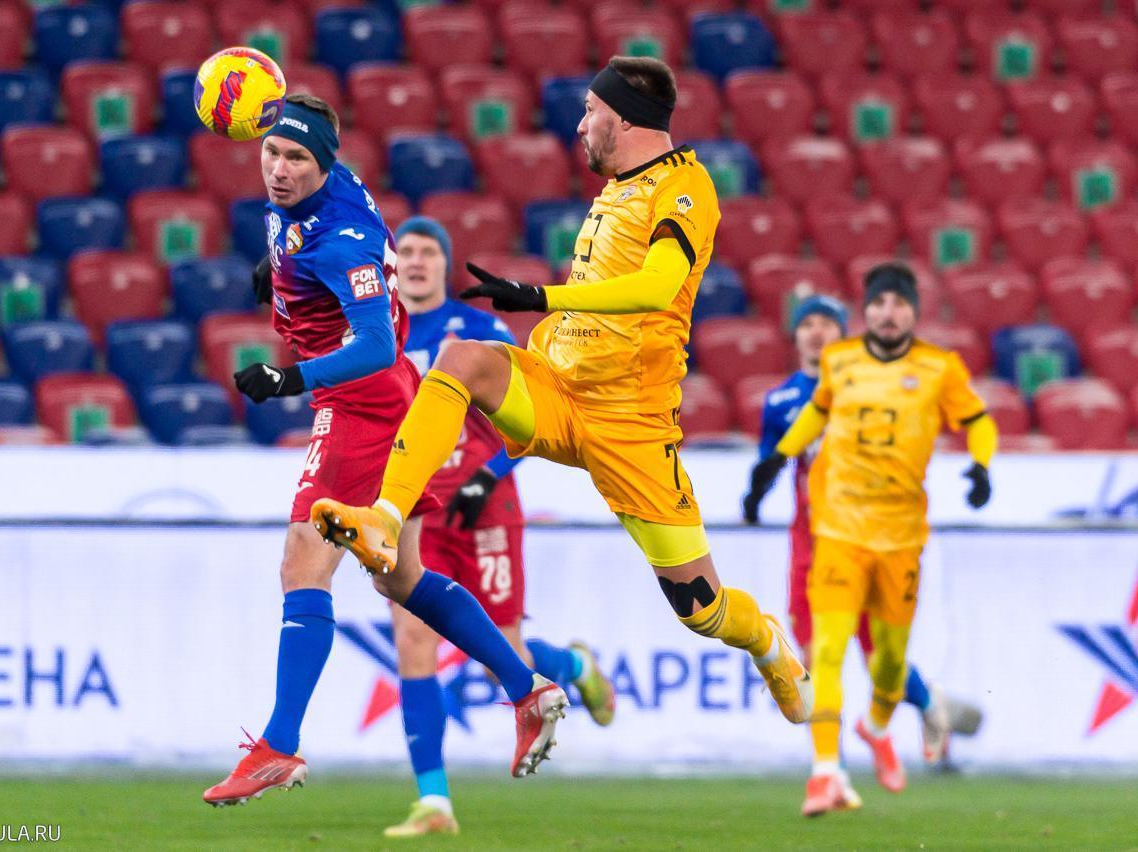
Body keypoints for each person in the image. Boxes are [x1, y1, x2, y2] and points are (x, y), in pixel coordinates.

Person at [309, 57, 813, 730]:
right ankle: (386, 518)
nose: (580, 126)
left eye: (590, 111)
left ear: (624, 119)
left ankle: (766, 642)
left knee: (700, 607)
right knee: (461, 360)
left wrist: (541, 296)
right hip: (557, 389)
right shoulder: (614, 191)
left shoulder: (685, 185)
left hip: (630, 423)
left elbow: (660, 286)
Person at [202, 94, 569, 808]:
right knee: (402, 579)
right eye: (271, 152)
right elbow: (303, 225)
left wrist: (288, 378)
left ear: (323, 166)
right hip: (390, 396)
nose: (279, 170)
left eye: (296, 158)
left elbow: (373, 343)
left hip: (360, 403)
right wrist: (277, 268)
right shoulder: (314, 193)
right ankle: (527, 688)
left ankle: (279, 744)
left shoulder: (342, 241)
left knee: (303, 563)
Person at [383, 216, 616, 837]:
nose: (416, 261)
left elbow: (533, 417)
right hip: (417, 509)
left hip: (485, 509)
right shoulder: (379, 333)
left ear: (444, 263)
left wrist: (488, 475)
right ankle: (433, 802)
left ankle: (573, 666)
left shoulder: (479, 331)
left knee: (501, 658)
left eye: (428, 251)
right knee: (412, 641)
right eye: (406, 251)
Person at [743, 264, 997, 816]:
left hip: (892, 533)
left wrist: (980, 466)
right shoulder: (783, 400)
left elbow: (973, 419)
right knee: (819, 653)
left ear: (843, 330)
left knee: (882, 657)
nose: (816, 333)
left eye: (825, 323)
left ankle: (912, 709)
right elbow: (776, 455)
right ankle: (829, 770)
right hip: (821, 538)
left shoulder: (903, 372)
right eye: (806, 324)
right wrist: (760, 484)